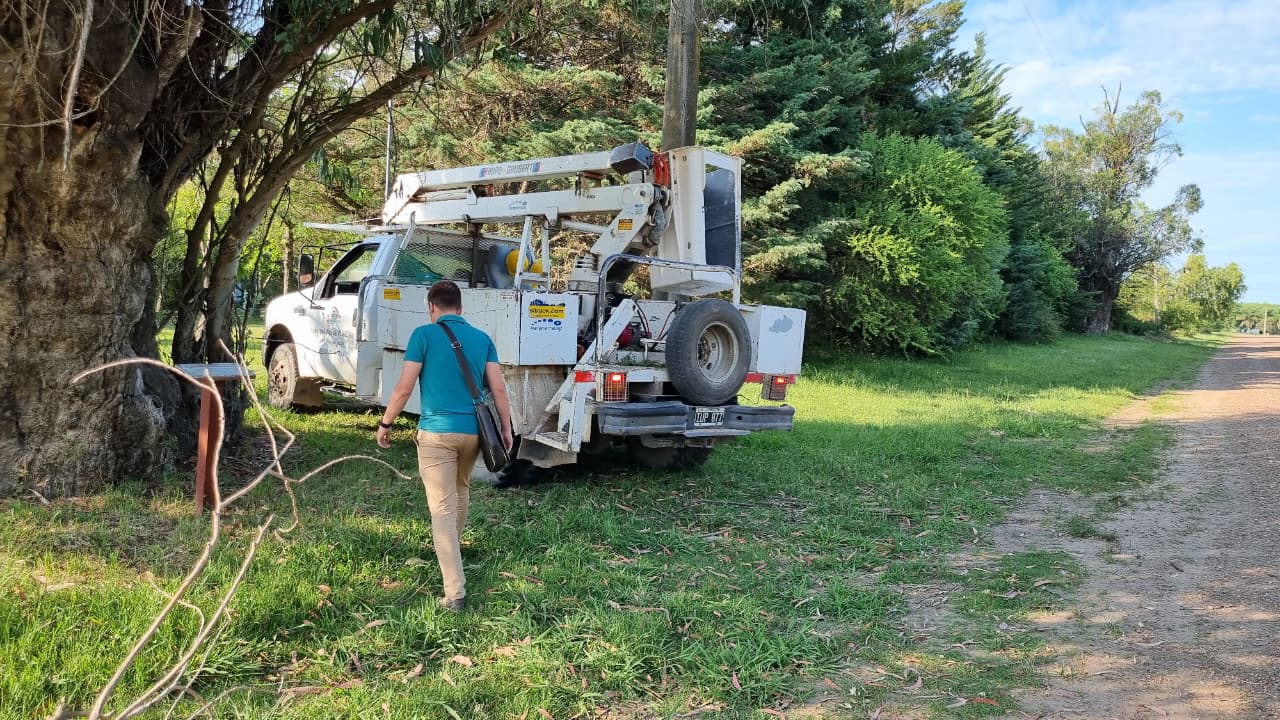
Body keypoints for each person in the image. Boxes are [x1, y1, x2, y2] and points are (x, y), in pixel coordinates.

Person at [376, 280, 513, 612]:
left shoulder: (423, 335)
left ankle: (455, 594)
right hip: (473, 433)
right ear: (461, 308)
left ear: (431, 307)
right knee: (460, 490)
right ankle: (453, 551)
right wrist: (507, 430)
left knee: (441, 511)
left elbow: (404, 388)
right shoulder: (482, 339)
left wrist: (386, 422)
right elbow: (499, 390)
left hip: (437, 433)